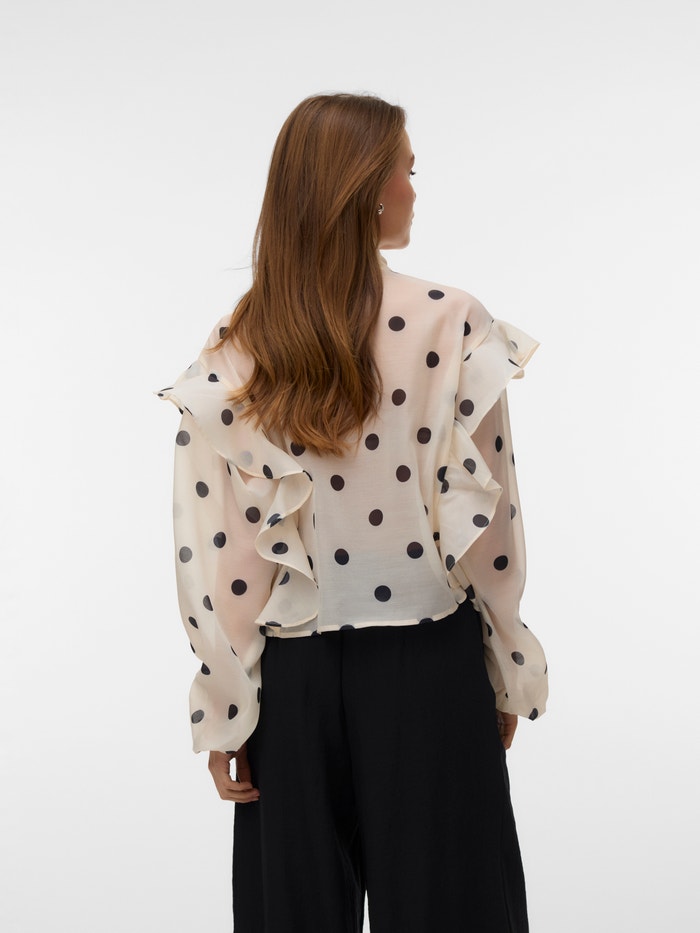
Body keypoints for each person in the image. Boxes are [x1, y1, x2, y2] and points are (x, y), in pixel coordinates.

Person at [159, 93, 548, 933]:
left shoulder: (242, 339)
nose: (414, 188)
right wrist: (507, 660)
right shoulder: (452, 319)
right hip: (433, 671)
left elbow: (225, 549)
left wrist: (228, 699)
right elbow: (491, 528)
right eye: (407, 169)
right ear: (364, 188)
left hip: (292, 685)